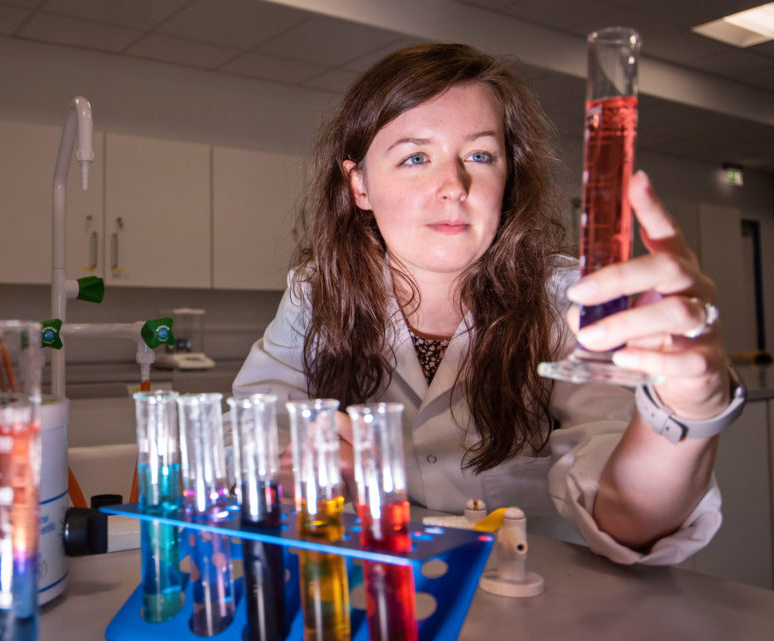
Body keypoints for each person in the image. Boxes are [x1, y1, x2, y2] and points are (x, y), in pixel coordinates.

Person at [233, 43, 742, 565]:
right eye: (415, 157)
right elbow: (249, 429)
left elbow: (627, 518)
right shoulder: (317, 291)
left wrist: (685, 415)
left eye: (480, 155)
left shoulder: (567, 301)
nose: (454, 186)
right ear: (359, 184)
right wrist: (287, 467)